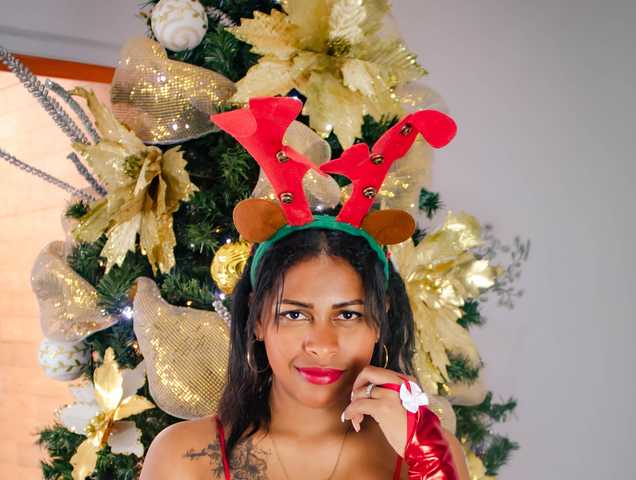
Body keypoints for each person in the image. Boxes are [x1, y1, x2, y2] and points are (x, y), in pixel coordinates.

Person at [140, 95, 471, 479]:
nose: (323, 345)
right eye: (295, 314)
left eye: (348, 315)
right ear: (258, 320)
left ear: (380, 321)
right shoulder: (184, 457)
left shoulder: (428, 450)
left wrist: (429, 460)